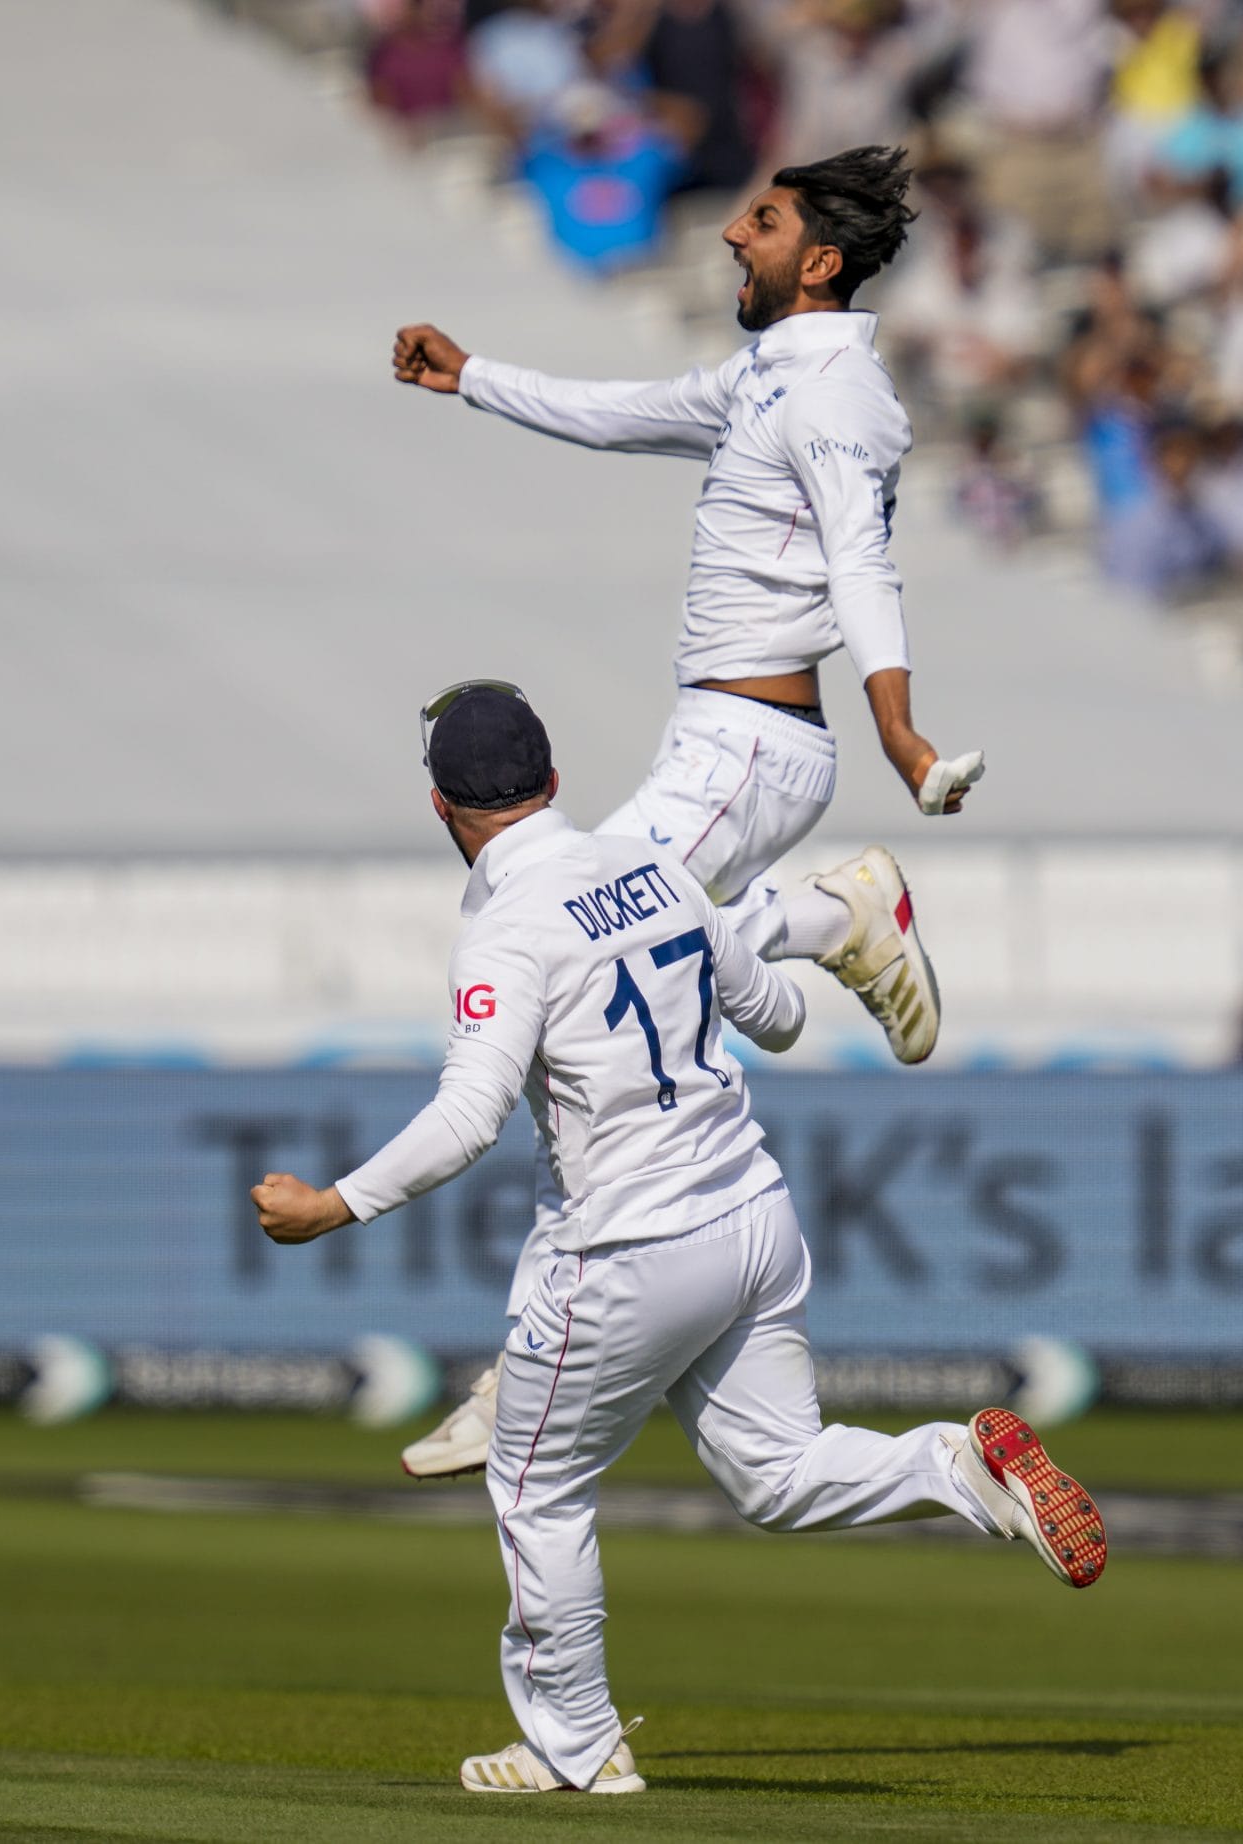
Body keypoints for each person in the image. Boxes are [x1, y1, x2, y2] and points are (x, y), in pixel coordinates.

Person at [249, 687, 1105, 1796]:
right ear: (552, 780)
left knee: (531, 1481)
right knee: (779, 1473)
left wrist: (334, 1204)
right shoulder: (653, 869)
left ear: (441, 804)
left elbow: (469, 1114)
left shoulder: (507, 924)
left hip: (625, 1248)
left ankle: (578, 1742)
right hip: (750, 1213)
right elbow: (782, 1017)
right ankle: (953, 1463)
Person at [388, 146, 982, 1480]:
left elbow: (861, 564)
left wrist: (896, 718)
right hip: (727, 741)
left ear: (817, 260)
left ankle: (519, 1364)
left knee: (577, 960)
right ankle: (826, 917)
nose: (731, 234)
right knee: (618, 954)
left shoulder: (835, 396)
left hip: (752, 745)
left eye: (760, 222)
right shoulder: (777, 373)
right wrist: (472, 377)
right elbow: (628, 410)